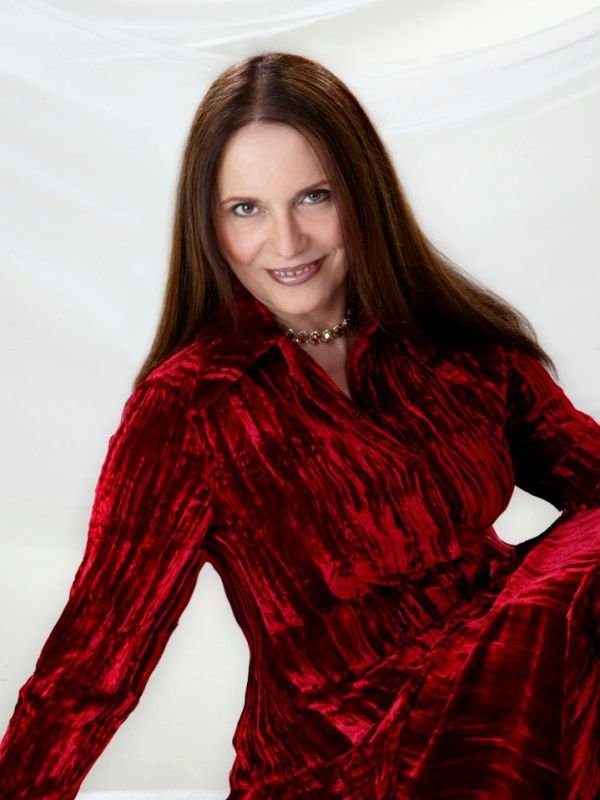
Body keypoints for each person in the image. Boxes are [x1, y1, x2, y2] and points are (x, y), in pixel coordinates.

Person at [0, 51, 598, 800]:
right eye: (246, 209)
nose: (286, 244)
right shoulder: (193, 407)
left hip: (499, 719)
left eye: (314, 197)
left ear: (362, 193)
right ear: (208, 223)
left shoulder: (453, 349)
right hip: (345, 767)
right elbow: (92, 667)